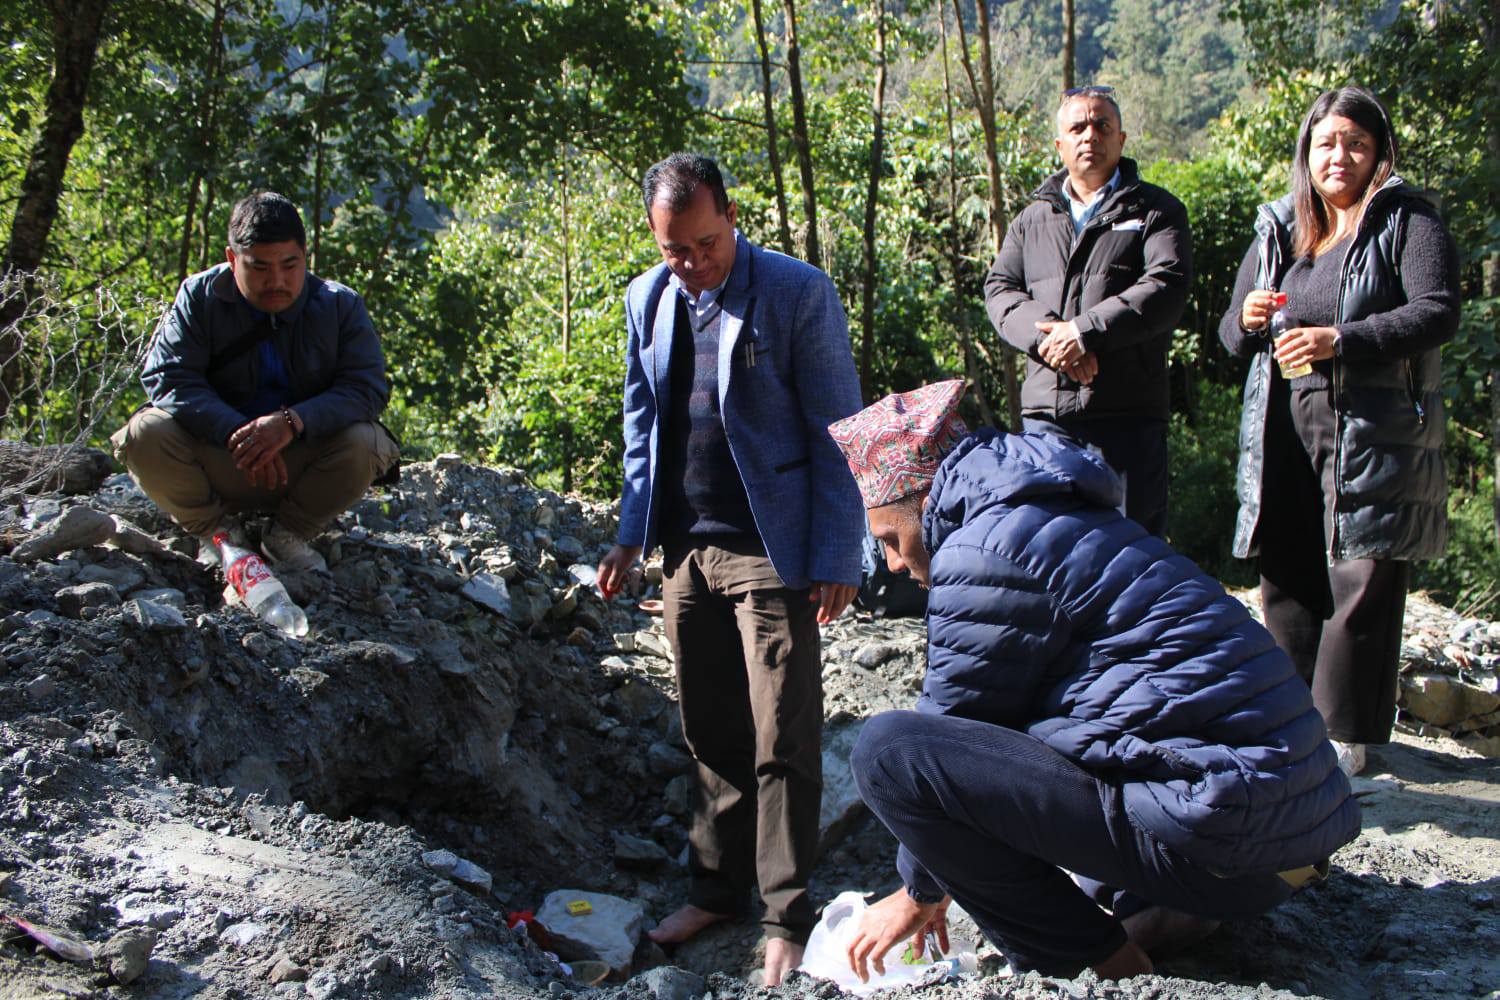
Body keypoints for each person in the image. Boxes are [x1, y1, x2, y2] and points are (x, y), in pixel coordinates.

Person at [825, 380, 1359, 982]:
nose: (894, 563)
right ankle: (1164, 912)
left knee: (887, 752)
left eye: (891, 539)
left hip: (1230, 838)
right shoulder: (1059, 515)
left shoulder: (982, 548)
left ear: (924, 500)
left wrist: (918, 891)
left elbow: (945, 737)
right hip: (1290, 836)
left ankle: (1097, 958)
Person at [594, 153, 864, 985]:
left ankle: (786, 913)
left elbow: (839, 430)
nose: (692, 263)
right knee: (709, 728)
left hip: (769, 544)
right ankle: (717, 888)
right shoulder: (648, 299)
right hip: (687, 544)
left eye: (705, 244)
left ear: (732, 217)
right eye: (674, 250)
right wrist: (630, 534)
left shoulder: (796, 292)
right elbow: (643, 425)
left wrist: (836, 553)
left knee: (783, 730)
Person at [1218, 87, 1460, 778]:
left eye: (1356, 143)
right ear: (1307, 153)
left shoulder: (1407, 219)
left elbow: (1437, 310)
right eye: (1326, 143)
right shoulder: (1279, 228)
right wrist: (1249, 319)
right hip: (1285, 417)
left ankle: (1343, 736)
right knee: (1289, 569)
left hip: (1376, 423)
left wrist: (1341, 339)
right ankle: (1290, 722)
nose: (1339, 156)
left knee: (1363, 572)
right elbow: (1230, 335)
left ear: (1379, 152)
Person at [112, 192, 398, 572]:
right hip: (220, 459)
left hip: (300, 465)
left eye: (289, 265)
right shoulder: (199, 296)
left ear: (306, 256)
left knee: (368, 442)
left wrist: (291, 423)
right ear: (232, 260)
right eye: (259, 267)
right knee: (145, 433)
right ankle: (217, 532)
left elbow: (367, 388)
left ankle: (288, 533)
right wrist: (239, 434)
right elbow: (169, 377)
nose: (276, 281)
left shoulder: (340, 305)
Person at [984, 86, 1191, 536]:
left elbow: (1166, 285)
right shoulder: (1032, 220)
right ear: (1060, 145)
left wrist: (1083, 332)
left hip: (1127, 418)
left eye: (1102, 126)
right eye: (1077, 127)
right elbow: (1000, 290)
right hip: (1048, 420)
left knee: (1132, 553)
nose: (1089, 136)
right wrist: (1052, 340)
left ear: (1121, 139)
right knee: (1050, 549)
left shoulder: (1156, 211)